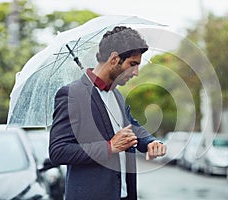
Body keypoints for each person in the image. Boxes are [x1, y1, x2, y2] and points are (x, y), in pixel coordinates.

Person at [49, 26, 166, 200]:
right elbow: (58, 151)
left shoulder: (117, 94)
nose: (136, 73)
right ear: (114, 59)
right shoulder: (71, 94)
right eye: (132, 64)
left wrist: (151, 142)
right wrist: (109, 147)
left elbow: (131, 126)